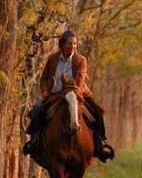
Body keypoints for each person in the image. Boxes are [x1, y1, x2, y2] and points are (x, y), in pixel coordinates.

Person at [23, 30, 114, 161]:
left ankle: (100, 144)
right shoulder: (52, 59)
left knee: (97, 113)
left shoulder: (81, 60)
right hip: (56, 94)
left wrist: (71, 89)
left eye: (75, 44)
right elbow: (43, 78)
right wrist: (45, 91)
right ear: (62, 44)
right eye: (70, 44)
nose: (73, 47)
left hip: (76, 93)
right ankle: (34, 142)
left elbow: (80, 80)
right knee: (37, 109)